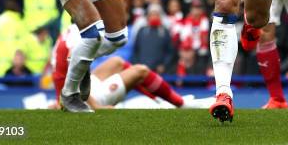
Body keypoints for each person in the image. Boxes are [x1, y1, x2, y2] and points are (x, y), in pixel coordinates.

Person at [52, 24, 212, 110]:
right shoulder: (76, 37)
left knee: (117, 62)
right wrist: (97, 107)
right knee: (140, 71)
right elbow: (74, 69)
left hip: (70, 94)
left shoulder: (70, 30)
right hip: (80, 100)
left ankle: (158, 99)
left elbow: (62, 75)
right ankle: (180, 104)